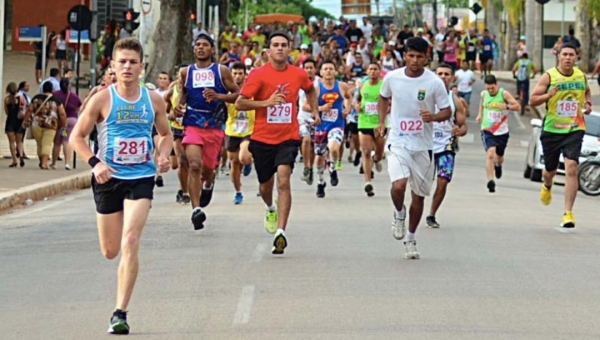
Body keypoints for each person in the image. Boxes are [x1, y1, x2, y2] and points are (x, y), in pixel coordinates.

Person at [69, 38, 173, 335]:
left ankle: (120, 312)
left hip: (141, 177)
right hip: (108, 178)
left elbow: (165, 135)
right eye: (121, 62)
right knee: (110, 250)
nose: (127, 67)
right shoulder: (102, 99)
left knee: (130, 241)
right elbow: (76, 138)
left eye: (133, 62)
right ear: (112, 66)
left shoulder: (154, 100)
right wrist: (95, 163)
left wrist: (163, 156)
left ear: (142, 67)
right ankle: (119, 306)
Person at [235, 31, 319, 255]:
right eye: (275, 45)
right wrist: (266, 103)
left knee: (284, 179)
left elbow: (310, 89)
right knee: (265, 186)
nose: (280, 48)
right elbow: (240, 103)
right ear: (268, 51)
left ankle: (281, 231)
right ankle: (270, 207)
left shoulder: (298, 74)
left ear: (290, 49)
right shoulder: (258, 75)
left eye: (284, 45)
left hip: (288, 137)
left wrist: (316, 111)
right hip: (262, 139)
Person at [376, 37, 451, 260]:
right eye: (411, 56)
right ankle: (399, 213)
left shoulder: (434, 82)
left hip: (423, 145)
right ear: (405, 55)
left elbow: (447, 111)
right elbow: (383, 97)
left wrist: (433, 117)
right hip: (399, 140)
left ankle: (411, 237)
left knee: (418, 196)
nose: (415, 60)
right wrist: (382, 121)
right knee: (399, 185)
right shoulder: (392, 78)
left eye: (419, 56)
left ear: (427, 57)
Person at [175, 33, 240, 230]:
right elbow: (183, 94)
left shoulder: (221, 71)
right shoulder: (186, 72)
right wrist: (178, 106)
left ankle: (209, 184)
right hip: (193, 124)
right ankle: (196, 210)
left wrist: (219, 96)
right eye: (198, 45)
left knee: (208, 170)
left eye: (205, 45)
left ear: (212, 49)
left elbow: (238, 94)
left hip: (214, 126)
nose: (201, 48)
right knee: (193, 165)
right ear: (194, 49)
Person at [529, 43, 592, 229]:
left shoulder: (581, 76)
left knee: (572, 166)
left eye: (571, 55)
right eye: (564, 54)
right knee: (550, 170)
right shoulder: (549, 76)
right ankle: (547, 185)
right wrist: (548, 95)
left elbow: (587, 91)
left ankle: (568, 213)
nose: (567, 58)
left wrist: (588, 103)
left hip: (574, 128)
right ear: (558, 56)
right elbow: (532, 100)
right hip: (552, 130)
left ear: (576, 57)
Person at [426, 63, 468, 228]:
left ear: (452, 78)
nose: (443, 77)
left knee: (443, 181)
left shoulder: (455, 100)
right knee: (421, 182)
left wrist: (459, 131)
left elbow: (464, 126)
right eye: (440, 74)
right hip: (426, 145)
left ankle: (431, 214)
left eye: (446, 74)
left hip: (446, 146)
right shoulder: (426, 96)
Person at [312, 60, 352, 198]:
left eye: (331, 68)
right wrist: (321, 108)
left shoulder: (341, 86)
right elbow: (307, 106)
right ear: (321, 72)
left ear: (335, 71)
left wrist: (347, 108)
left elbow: (348, 97)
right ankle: (320, 182)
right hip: (321, 126)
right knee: (319, 157)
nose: (328, 71)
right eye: (325, 69)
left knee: (334, 148)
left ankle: (333, 168)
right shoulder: (316, 88)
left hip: (337, 124)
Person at [476, 75, 520, 193]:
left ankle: (498, 165)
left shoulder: (503, 94)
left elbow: (517, 106)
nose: (490, 90)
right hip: (487, 129)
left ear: (497, 85)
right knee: (490, 154)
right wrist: (480, 114)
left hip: (501, 131)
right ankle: (491, 180)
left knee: (499, 156)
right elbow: (482, 103)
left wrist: (506, 106)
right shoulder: (484, 94)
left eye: (492, 88)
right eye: (488, 88)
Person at [224, 62, 255, 204]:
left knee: (243, 157)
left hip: (249, 130)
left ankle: (248, 161)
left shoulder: (251, 90)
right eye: (234, 73)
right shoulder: (226, 91)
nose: (237, 76)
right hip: (232, 131)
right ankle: (238, 191)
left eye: (240, 73)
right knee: (234, 163)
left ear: (245, 75)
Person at [22, 81, 67, 170]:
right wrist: (64, 124)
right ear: (52, 89)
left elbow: (29, 110)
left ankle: (42, 161)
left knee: (40, 144)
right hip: (51, 124)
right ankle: (44, 163)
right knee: (47, 144)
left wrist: (25, 120)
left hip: (36, 124)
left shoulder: (36, 98)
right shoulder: (56, 100)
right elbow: (62, 114)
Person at [356, 62, 386, 196]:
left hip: (379, 123)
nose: (373, 71)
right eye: (371, 69)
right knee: (366, 151)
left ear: (379, 71)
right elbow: (356, 99)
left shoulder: (384, 86)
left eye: (375, 69)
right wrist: (357, 106)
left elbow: (391, 101)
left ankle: (378, 159)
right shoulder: (363, 85)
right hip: (365, 122)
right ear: (367, 71)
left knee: (379, 151)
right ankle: (368, 182)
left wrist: (387, 110)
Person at [165, 64, 191, 204]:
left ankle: (190, 187)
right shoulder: (171, 91)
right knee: (180, 161)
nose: (183, 77)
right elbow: (165, 110)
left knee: (191, 161)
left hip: (192, 128)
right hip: (177, 129)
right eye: (181, 75)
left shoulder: (195, 90)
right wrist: (170, 114)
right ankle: (184, 190)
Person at [51, 78, 82, 169]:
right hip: (72, 120)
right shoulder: (73, 95)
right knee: (67, 141)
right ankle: (67, 163)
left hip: (60, 121)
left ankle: (54, 163)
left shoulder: (56, 94)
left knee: (57, 142)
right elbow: (79, 106)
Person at [299, 58, 319, 185]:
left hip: (316, 119)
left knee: (313, 148)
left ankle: (310, 168)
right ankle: (306, 166)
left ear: (315, 69)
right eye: (307, 68)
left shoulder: (319, 84)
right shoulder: (298, 83)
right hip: (302, 118)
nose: (309, 70)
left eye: (311, 67)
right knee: (306, 140)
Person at [4, 82, 27, 167]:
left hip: (10, 121)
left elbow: (6, 111)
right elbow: (24, 109)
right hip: (19, 122)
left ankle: (14, 160)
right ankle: (21, 155)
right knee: (19, 141)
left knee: (11, 142)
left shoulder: (7, 100)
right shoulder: (21, 98)